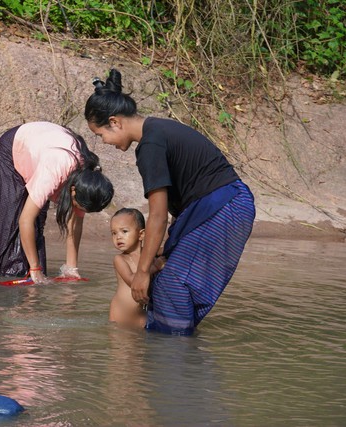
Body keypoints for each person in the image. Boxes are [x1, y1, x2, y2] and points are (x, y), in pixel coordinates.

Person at [85, 69, 255, 335]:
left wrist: (141, 272)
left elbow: (157, 215)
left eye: (100, 135)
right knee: (167, 273)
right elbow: (185, 196)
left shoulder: (150, 145)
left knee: (170, 283)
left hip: (223, 207)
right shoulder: (158, 130)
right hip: (216, 207)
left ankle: (173, 354)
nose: (104, 142)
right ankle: (177, 350)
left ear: (115, 122)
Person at [0, 121, 114, 284]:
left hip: (43, 150)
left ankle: (27, 274)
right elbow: (25, 220)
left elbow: (75, 223)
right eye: (78, 206)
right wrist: (35, 269)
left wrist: (71, 268)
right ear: (73, 190)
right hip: (13, 148)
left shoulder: (87, 179)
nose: (77, 210)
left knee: (37, 224)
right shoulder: (54, 172)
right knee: (7, 219)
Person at [109, 208, 165, 328]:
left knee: (141, 345)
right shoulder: (120, 260)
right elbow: (132, 281)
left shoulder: (150, 254)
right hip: (121, 315)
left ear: (141, 234)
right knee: (124, 346)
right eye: (114, 233)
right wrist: (155, 266)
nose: (118, 237)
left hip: (141, 315)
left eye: (124, 231)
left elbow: (164, 249)